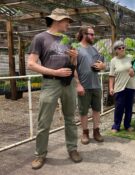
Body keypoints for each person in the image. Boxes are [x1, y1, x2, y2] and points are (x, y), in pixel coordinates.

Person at [27, 8, 82, 170]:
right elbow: (31, 64)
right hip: (51, 83)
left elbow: (73, 66)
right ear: (57, 20)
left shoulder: (67, 40)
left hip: (69, 82)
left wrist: (74, 59)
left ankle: (72, 149)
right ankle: (40, 154)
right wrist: (55, 72)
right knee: (44, 121)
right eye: (67, 21)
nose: (68, 25)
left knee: (71, 118)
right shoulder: (40, 38)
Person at [75, 26, 106, 144]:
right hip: (84, 86)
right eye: (91, 34)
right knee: (83, 111)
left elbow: (101, 65)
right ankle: (85, 132)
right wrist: (78, 84)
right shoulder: (76, 48)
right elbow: (73, 69)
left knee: (97, 110)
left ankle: (96, 131)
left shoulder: (94, 50)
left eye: (94, 34)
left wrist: (102, 66)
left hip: (96, 85)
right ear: (83, 34)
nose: (94, 36)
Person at [109, 40, 135, 132]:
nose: (122, 49)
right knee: (119, 107)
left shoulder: (130, 57)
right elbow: (111, 76)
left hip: (130, 86)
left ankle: (127, 125)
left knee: (129, 107)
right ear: (116, 50)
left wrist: (134, 72)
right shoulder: (113, 61)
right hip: (119, 87)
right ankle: (116, 126)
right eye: (119, 48)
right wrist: (111, 87)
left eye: (123, 47)